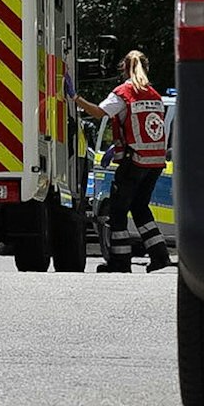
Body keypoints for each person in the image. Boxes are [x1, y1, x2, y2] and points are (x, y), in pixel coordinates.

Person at [73, 49, 172, 273]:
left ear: (124, 69)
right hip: (154, 163)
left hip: (133, 162)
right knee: (140, 208)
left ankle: (120, 263)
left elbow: (99, 113)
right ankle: (160, 256)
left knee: (118, 211)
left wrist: (75, 98)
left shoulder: (123, 93)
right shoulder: (154, 95)